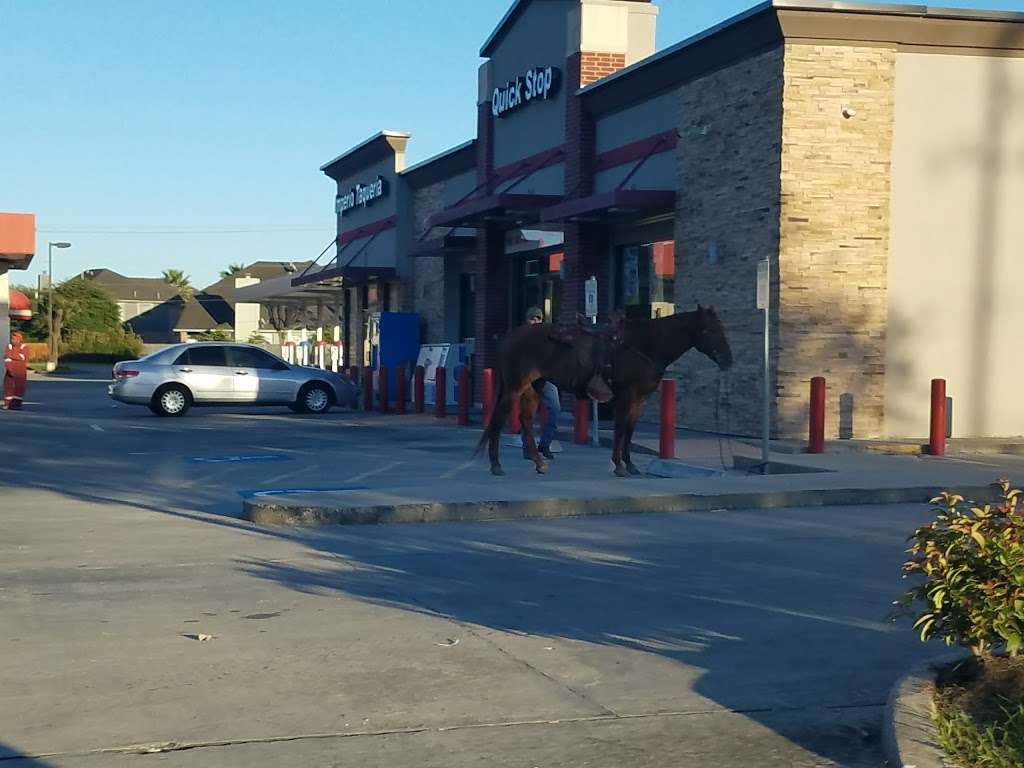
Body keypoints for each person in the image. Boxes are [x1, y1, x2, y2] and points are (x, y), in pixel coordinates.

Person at [524, 306, 560, 460]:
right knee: (528, 414)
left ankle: (545, 444)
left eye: (538, 318)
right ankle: (528, 448)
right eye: (532, 318)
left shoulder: (547, 335)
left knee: (555, 409)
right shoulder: (522, 337)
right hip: (528, 380)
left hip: (545, 379)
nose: (535, 321)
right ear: (527, 320)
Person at [3, 330, 29, 411]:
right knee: (8, 386)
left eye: (15, 339)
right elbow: (7, 358)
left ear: (20, 339)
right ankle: (7, 403)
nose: (12, 340)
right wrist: (10, 369)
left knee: (20, 387)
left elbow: (22, 357)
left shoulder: (24, 347)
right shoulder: (9, 346)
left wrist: (11, 355)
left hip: (20, 371)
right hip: (10, 370)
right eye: (12, 339)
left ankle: (17, 403)